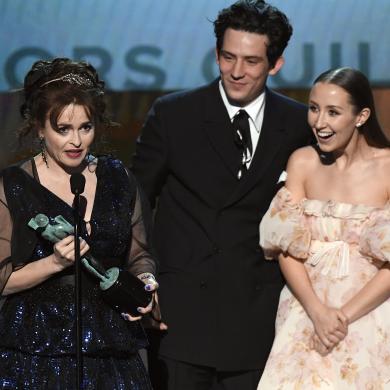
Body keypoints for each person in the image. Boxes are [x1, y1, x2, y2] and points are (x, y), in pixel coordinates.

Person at [131, 1, 313, 388]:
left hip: (258, 315)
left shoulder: (298, 124)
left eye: (250, 61)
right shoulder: (174, 114)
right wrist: (143, 283)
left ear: (275, 64)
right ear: (216, 54)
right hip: (180, 315)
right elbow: (135, 205)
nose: (236, 71)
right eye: (227, 57)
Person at [0, 58, 158, 389]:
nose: (76, 142)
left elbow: (139, 255)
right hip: (37, 352)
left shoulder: (117, 178)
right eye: (63, 129)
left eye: (85, 127)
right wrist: (54, 263)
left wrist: (145, 285)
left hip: (111, 346)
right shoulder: (12, 186)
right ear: (40, 128)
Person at [258, 67, 390, 389]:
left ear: (361, 116)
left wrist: (341, 317)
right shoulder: (302, 162)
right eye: (314, 109)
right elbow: (285, 246)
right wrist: (318, 312)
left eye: (333, 112)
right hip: (305, 311)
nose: (320, 123)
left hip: (368, 313)